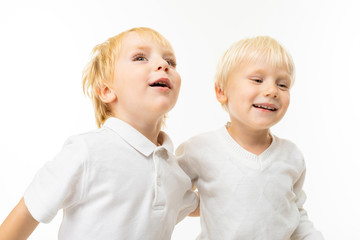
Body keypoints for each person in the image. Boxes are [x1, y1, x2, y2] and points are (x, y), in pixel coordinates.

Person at [0, 27, 198, 240]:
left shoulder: (174, 171)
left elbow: (203, 203)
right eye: (140, 58)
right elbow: (27, 211)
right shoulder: (87, 151)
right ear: (107, 90)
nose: (163, 65)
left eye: (171, 62)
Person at [176, 36, 324, 239]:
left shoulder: (291, 156)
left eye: (282, 85)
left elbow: (295, 213)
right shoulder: (198, 149)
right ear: (221, 91)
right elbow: (170, 198)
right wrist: (206, 203)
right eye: (257, 80)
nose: (272, 91)